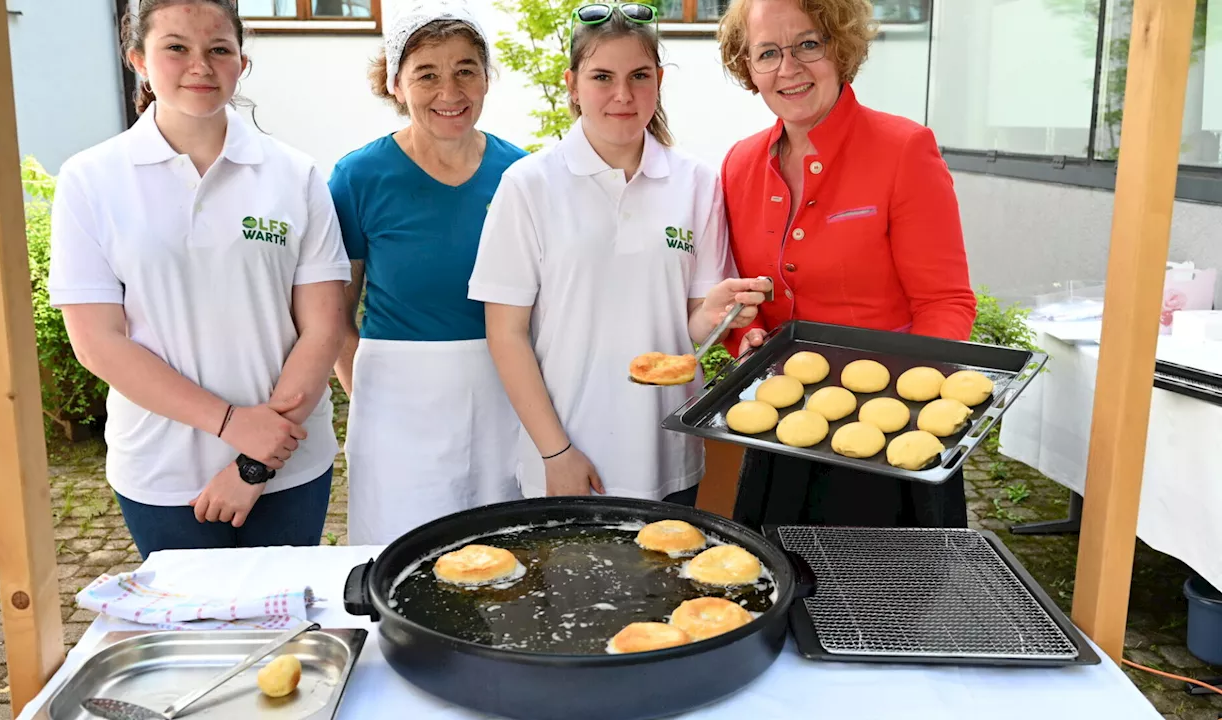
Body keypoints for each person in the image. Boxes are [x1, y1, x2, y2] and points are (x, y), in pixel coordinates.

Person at [47, 0, 350, 559]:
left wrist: (256, 461)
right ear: (138, 58)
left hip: (288, 468)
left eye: (218, 50)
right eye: (176, 48)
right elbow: (98, 342)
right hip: (162, 472)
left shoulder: (294, 175)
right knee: (192, 638)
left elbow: (324, 328)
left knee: (281, 637)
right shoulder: (91, 180)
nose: (200, 66)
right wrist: (233, 425)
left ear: (242, 63)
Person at [469, 2, 772, 505]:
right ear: (572, 84)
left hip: (668, 457)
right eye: (602, 76)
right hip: (564, 459)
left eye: (639, 76)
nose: (622, 95)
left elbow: (688, 332)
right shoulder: (529, 185)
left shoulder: (696, 183)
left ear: (659, 80)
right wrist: (555, 452)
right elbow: (505, 335)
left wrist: (714, 314)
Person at [715, 0, 977, 528]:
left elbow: (945, 301)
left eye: (808, 44)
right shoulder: (740, 164)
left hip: (891, 427)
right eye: (767, 53)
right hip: (784, 423)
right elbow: (750, 301)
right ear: (749, 69)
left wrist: (914, 407)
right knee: (783, 590)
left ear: (841, 47)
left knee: (886, 601)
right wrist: (743, 335)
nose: (788, 69)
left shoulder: (903, 149)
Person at [329, 0, 526, 545]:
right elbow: (334, 315)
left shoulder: (521, 174)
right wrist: (368, 396)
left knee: (499, 556)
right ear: (395, 84)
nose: (450, 92)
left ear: (487, 78)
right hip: (396, 403)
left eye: (466, 69)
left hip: (502, 394)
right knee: (401, 558)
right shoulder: (359, 177)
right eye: (427, 74)